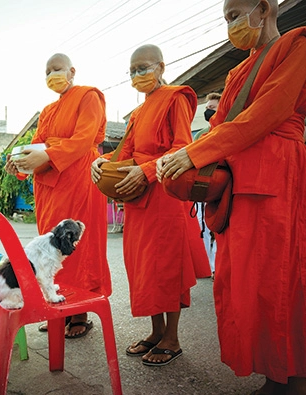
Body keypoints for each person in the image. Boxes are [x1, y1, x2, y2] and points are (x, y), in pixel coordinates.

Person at [158, 0, 306, 393]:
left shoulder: (297, 45)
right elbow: (224, 125)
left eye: (233, 15)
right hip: (241, 179)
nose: (231, 25)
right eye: (226, 18)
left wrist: (194, 152)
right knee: (250, 282)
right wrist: (170, 160)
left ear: (263, 9)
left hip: (281, 175)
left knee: (286, 278)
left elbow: (268, 113)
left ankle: (295, 384)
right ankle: (272, 375)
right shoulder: (237, 70)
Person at [91, 44, 210, 366]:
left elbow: (182, 147)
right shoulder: (139, 112)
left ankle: (172, 337)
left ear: (160, 66)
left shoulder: (177, 97)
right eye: (132, 71)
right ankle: (155, 332)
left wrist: (145, 171)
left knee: (167, 269)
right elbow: (124, 151)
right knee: (143, 269)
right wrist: (100, 162)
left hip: (164, 193)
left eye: (142, 68)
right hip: (138, 199)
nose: (137, 75)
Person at [5, 53, 111, 338]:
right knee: (49, 249)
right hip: (49, 187)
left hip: (78, 180)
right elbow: (37, 146)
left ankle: (79, 314)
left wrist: (48, 153)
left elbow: (85, 139)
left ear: (72, 71)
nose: (52, 74)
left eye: (57, 69)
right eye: (48, 71)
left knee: (77, 247)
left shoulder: (88, 96)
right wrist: (20, 162)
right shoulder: (47, 111)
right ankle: (56, 305)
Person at [194, 92, 221, 278]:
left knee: (219, 228)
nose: (208, 111)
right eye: (206, 109)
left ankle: (217, 266)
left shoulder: (227, 130)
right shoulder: (201, 134)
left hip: (221, 186)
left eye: (212, 108)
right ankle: (205, 265)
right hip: (203, 186)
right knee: (202, 227)